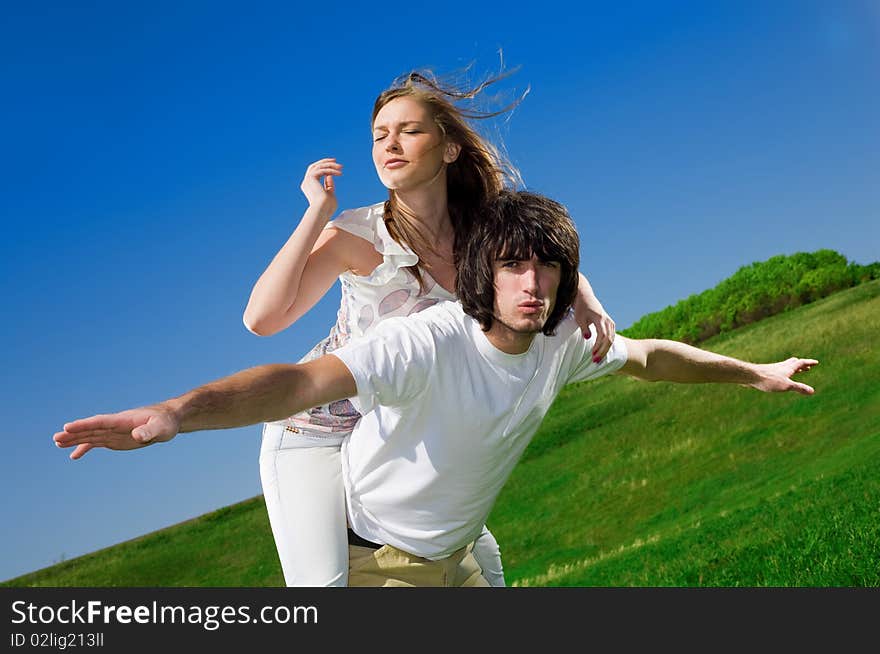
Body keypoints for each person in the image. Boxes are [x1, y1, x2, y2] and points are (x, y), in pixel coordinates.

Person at [54, 190, 818, 587]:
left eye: (548, 268)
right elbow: (294, 381)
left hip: (459, 552)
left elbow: (652, 357)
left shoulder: (558, 343)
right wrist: (176, 412)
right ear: (484, 272)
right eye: (516, 264)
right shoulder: (426, 339)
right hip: (379, 566)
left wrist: (758, 373)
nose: (532, 282)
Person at [239, 69, 616, 586]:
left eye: (409, 131)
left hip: (399, 426)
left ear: (448, 148)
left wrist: (586, 300)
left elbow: (543, 253)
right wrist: (317, 212)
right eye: (379, 135)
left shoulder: (481, 231)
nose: (389, 144)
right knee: (324, 587)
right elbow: (262, 318)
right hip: (316, 430)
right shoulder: (356, 236)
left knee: (481, 559)